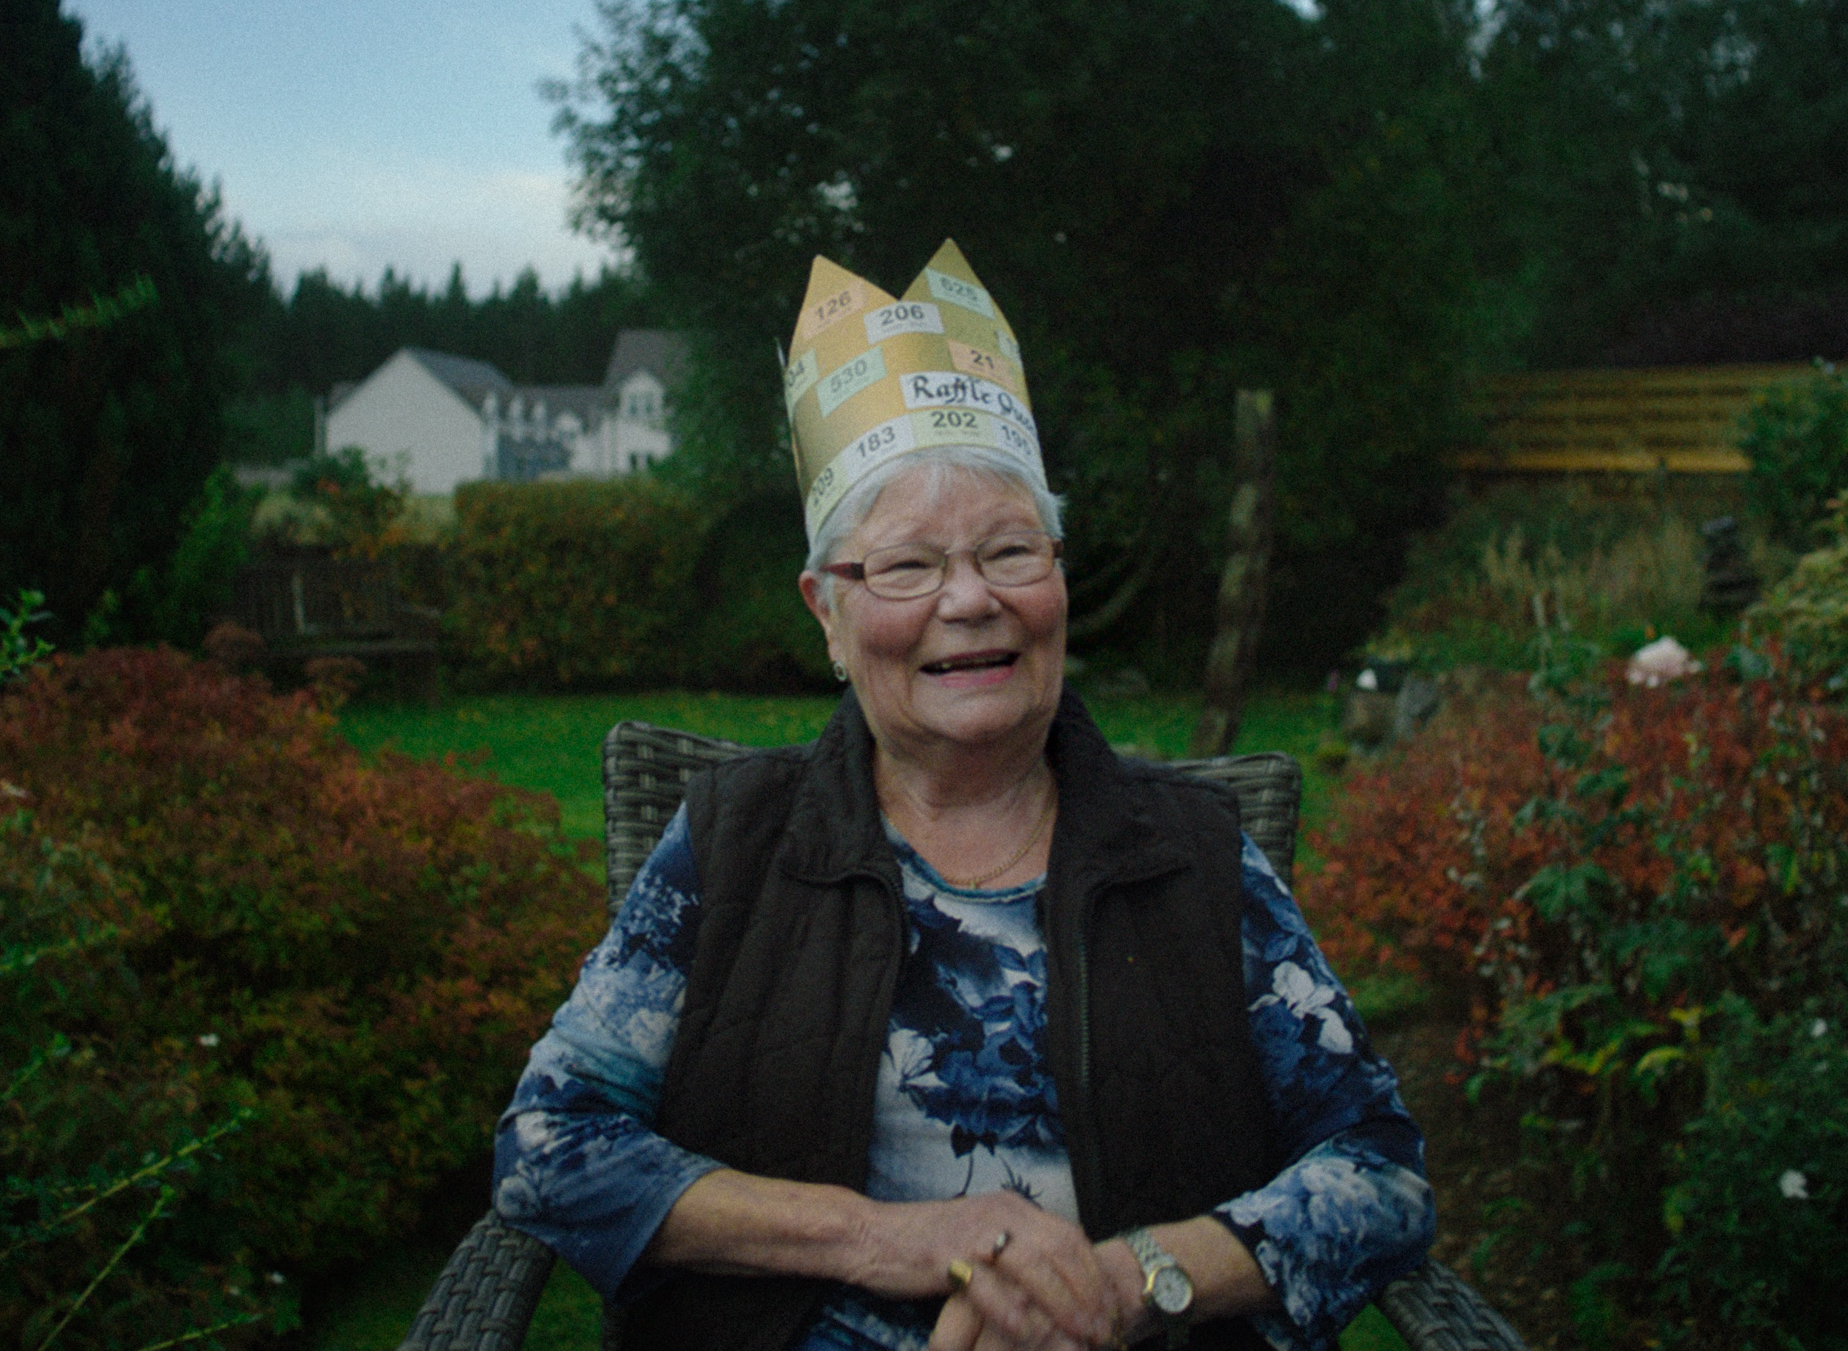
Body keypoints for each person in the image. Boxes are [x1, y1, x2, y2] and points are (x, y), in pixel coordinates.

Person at [492, 244, 1434, 1351]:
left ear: (1059, 581)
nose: (971, 599)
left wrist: (1128, 1284)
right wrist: (881, 1238)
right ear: (827, 616)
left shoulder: (1193, 855)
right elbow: (548, 1146)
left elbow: (1381, 1173)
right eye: (905, 567)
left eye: (1008, 550)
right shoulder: (733, 841)